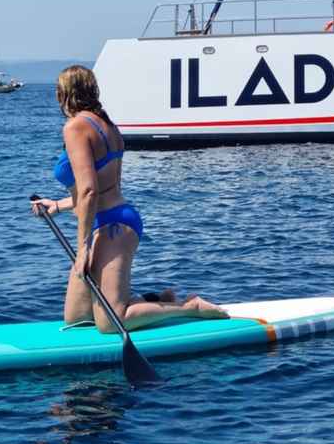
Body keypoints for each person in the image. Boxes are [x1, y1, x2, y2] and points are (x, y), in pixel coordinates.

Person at [29, 66, 225, 332]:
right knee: (77, 317)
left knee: (111, 321)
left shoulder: (75, 127)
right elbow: (98, 188)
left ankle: (190, 307)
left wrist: (83, 248)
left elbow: (89, 191)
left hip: (113, 225)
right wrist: (58, 205)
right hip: (108, 219)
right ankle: (158, 299)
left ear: (63, 93)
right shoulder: (107, 126)